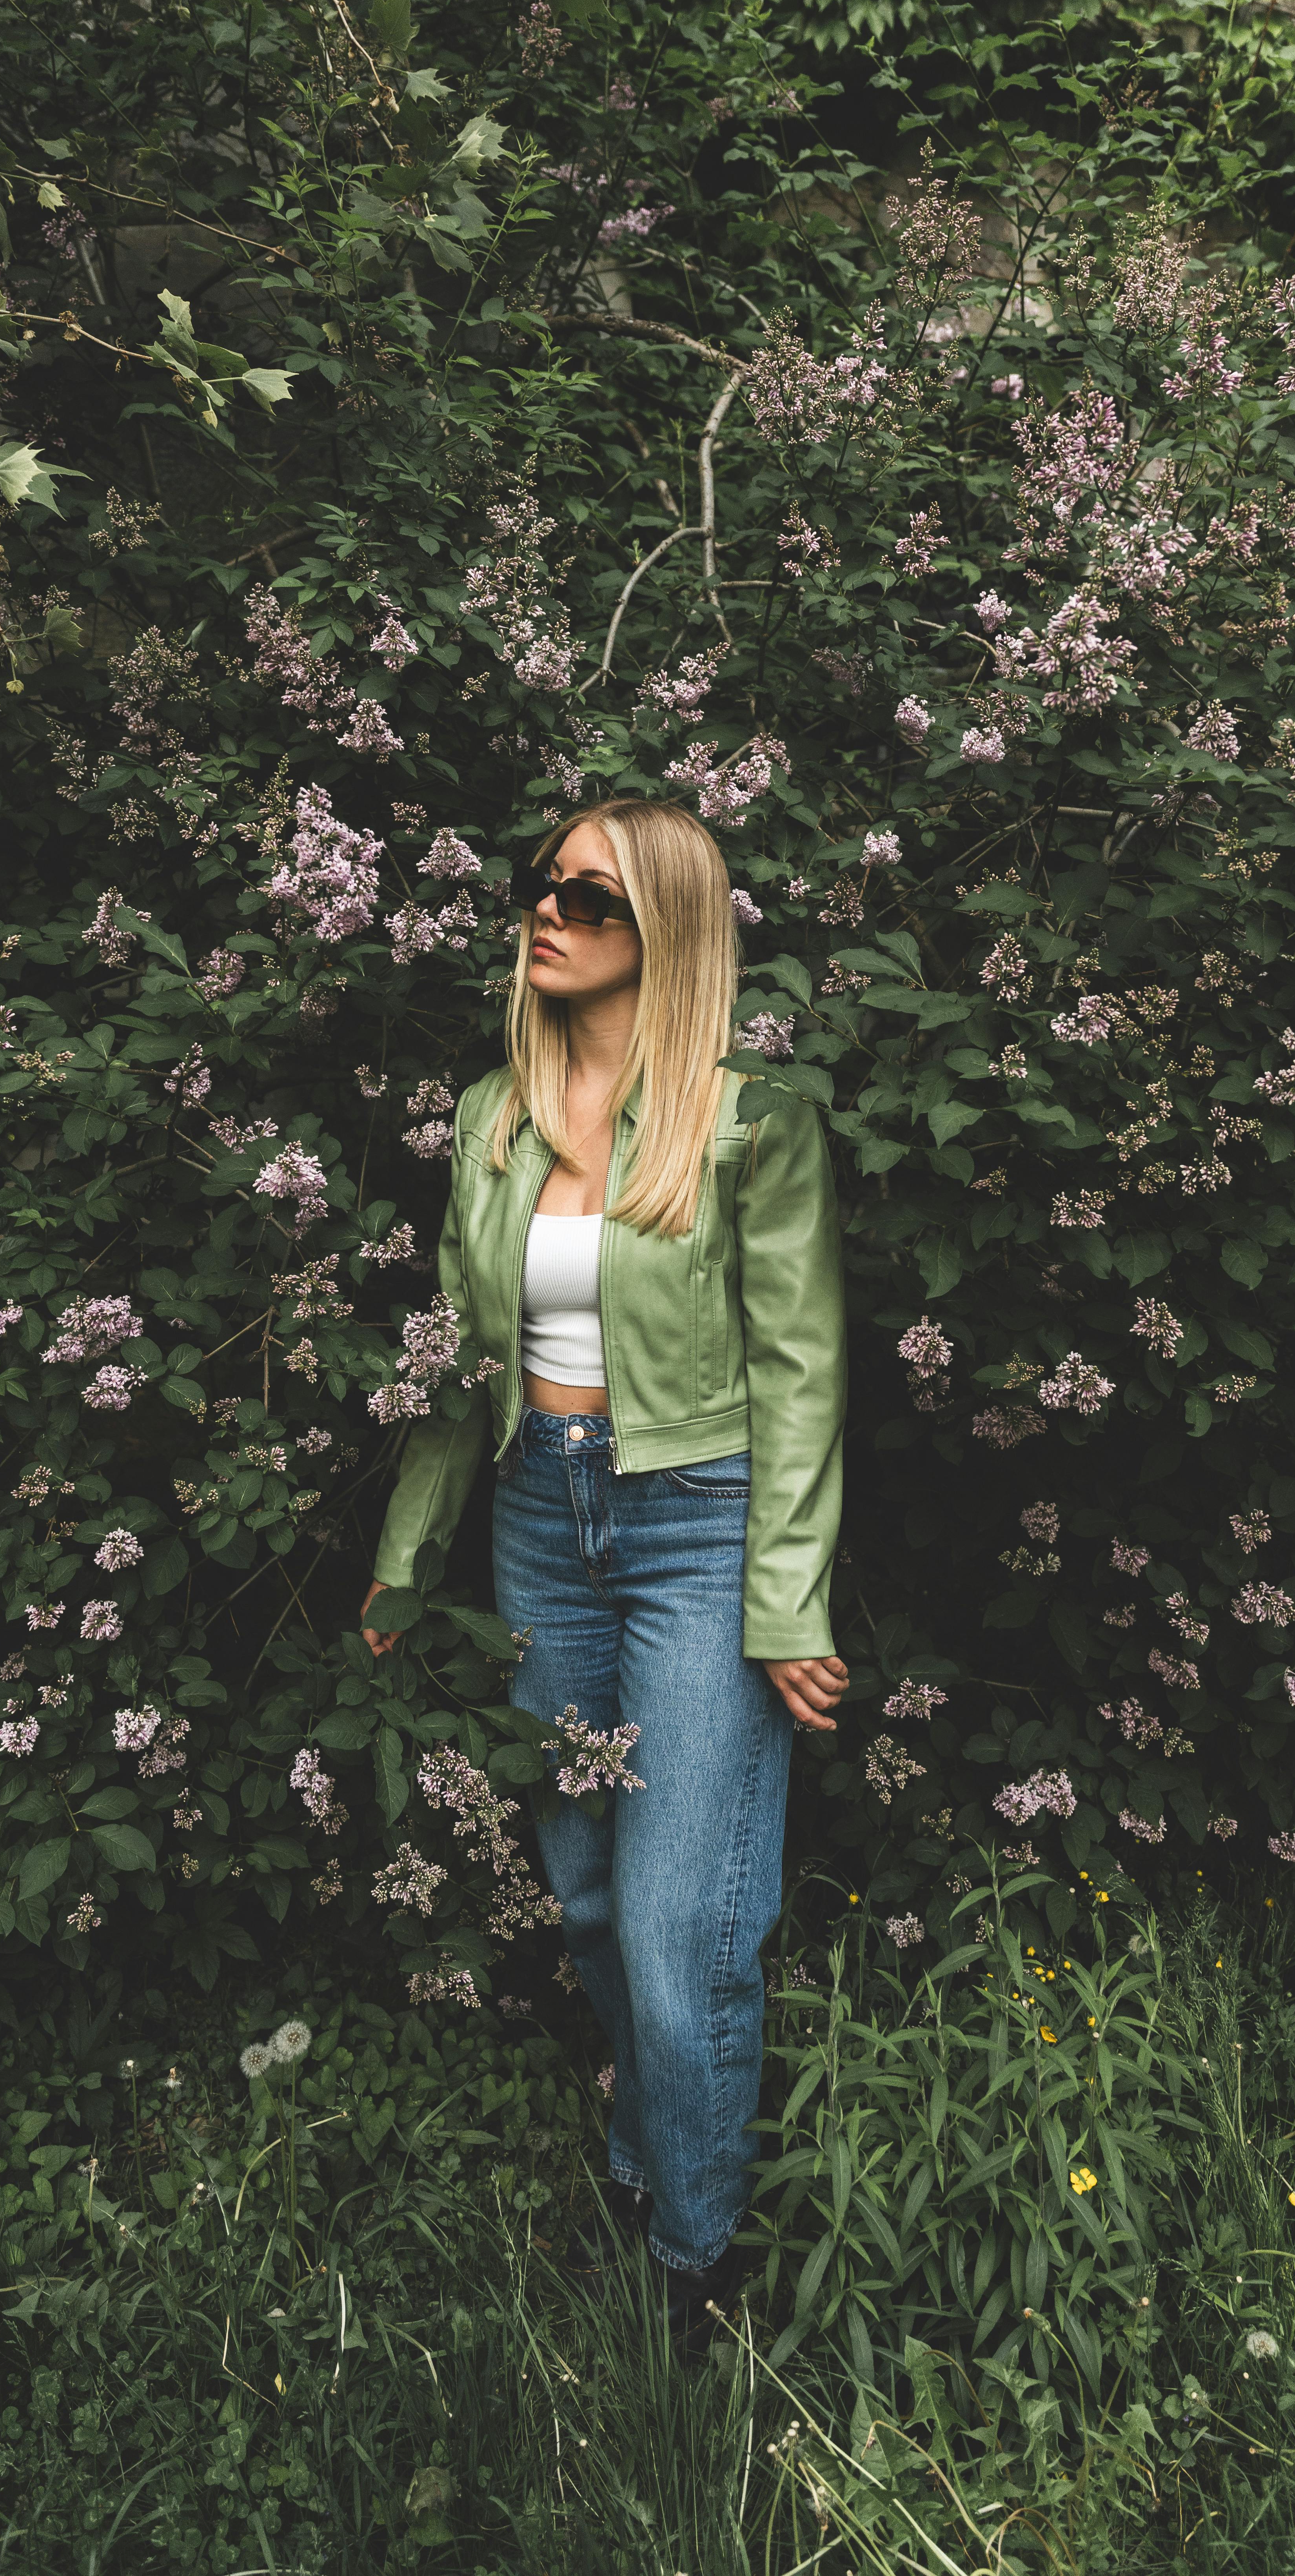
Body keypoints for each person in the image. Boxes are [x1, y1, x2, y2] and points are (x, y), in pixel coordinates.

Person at [361, 796, 847, 2348]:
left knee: (676, 1919)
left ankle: (696, 2273)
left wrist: (785, 1602)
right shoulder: (487, 1120)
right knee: (579, 1890)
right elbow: (453, 1364)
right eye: (541, 883)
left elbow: (804, 1377)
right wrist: (402, 1558)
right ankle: (646, 2161)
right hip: (536, 1522)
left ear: (672, 934)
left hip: (700, 1520)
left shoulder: (752, 1123)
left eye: (594, 895)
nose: (549, 911)